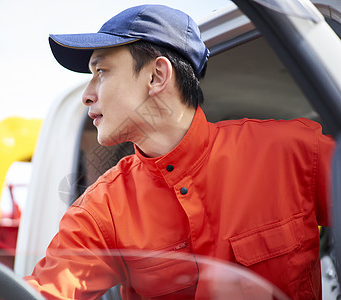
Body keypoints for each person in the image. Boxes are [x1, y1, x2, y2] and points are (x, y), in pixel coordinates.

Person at [24, 4, 335, 299]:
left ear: (157, 76)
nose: (87, 95)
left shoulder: (293, 152)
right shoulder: (102, 210)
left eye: (101, 71)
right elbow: (43, 291)